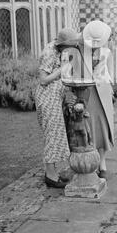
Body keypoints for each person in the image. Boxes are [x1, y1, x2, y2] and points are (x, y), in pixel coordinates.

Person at [35, 28, 80, 189]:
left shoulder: (60, 51)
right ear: (62, 45)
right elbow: (43, 80)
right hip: (47, 98)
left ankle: (52, 172)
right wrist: (63, 70)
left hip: (55, 98)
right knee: (52, 135)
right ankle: (50, 176)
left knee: (56, 134)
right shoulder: (49, 52)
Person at [83, 21, 115, 180]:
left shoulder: (82, 53)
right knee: (98, 127)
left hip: (91, 92)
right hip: (100, 91)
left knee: (94, 128)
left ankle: (98, 164)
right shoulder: (106, 52)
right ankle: (101, 164)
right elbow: (110, 74)